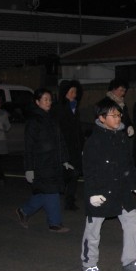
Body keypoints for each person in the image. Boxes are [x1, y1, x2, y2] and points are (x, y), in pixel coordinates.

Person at [80, 98, 136, 271]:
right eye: (113, 115)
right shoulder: (94, 142)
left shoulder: (121, 137)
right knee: (93, 229)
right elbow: (88, 170)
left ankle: (130, 260)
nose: (118, 118)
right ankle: (89, 263)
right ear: (102, 118)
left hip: (120, 191)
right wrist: (92, 194)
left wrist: (132, 184)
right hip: (100, 191)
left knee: (134, 221)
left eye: (119, 115)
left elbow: (128, 163)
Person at [15, 88, 71, 233]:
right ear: (37, 102)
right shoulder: (34, 121)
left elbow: (61, 141)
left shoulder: (51, 119)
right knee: (52, 191)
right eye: (45, 99)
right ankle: (54, 223)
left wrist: (64, 159)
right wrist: (29, 168)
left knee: (45, 192)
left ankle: (24, 211)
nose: (48, 102)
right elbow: (29, 146)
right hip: (41, 163)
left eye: (49, 99)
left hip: (54, 162)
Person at [55, 80, 84, 210]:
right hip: (65, 147)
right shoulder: (59, 108)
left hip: (75, 147)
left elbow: (78, 129)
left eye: (75, 92)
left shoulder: (75, 108)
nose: (74, 94)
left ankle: (69, 200)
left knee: (75, 173)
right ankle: (58, 195)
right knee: (67, 174)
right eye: (71, 91)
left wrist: (82, 144)